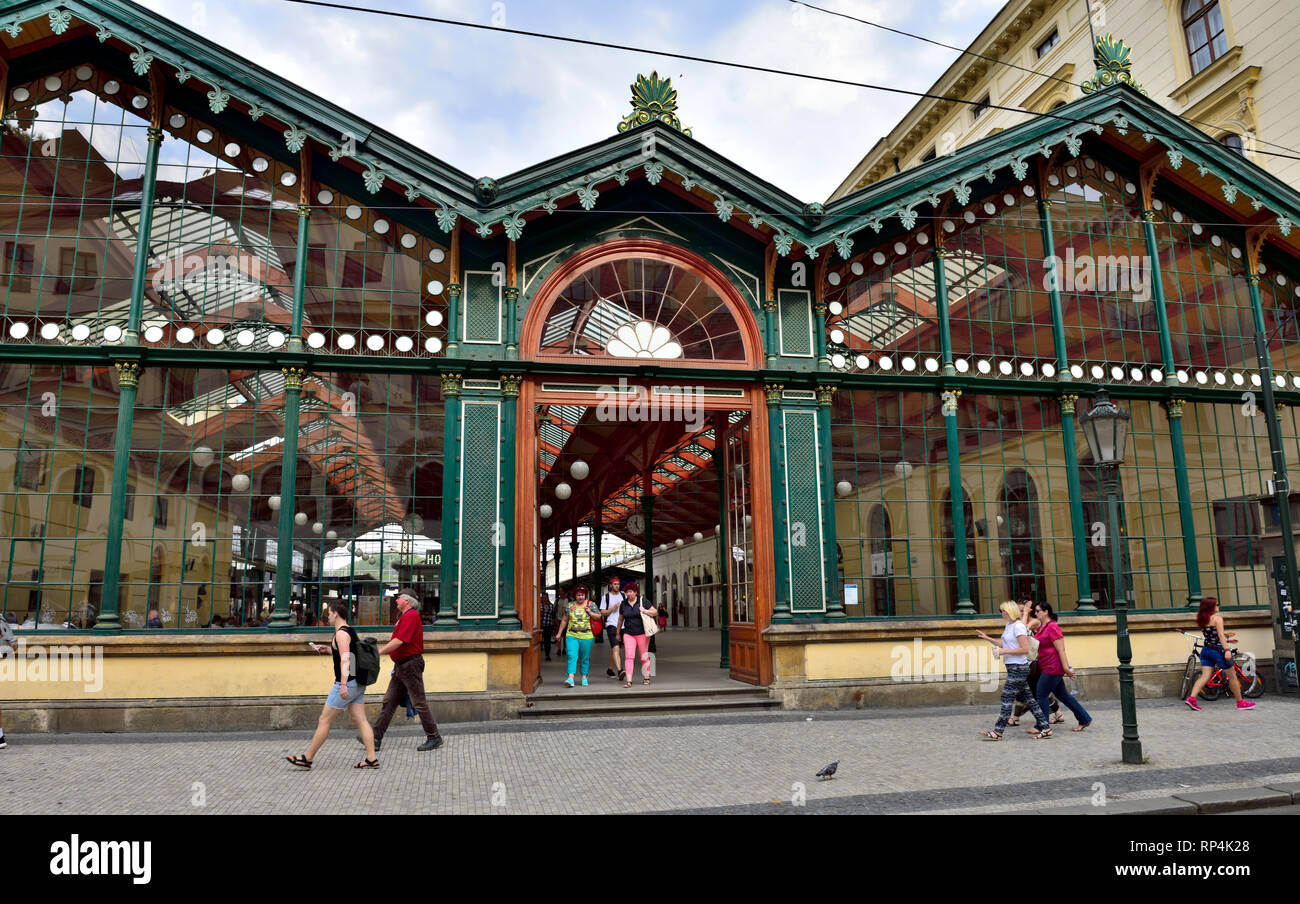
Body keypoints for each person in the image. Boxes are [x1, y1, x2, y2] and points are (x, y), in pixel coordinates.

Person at [285, 600, 378, 769]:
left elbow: (346, 659)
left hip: (347, 683)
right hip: (358, 683)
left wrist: (343, 685)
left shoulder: (341, 634)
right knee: (361, 720)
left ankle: (307, 758)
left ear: (335, 614)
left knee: (324, 719)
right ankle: (371, 758)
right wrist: (327, 649)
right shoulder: (349, 630)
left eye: (328, 613)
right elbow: (346, 652)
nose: (327, 617)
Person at [371, 590, 444, 751]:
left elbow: (400, 641)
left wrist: (379, 651)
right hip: (402, 666)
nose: (396, 599)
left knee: (419, 702)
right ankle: (375, 738)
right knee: (389, 702)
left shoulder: (411, 616)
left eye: (399, 597)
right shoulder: (405, 616)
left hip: (409, 665)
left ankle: (434, 737)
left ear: (408, 601)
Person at [978, 601, 1052, 740]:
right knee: (1030, 700)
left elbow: (1024, 649)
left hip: (1018, 668)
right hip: (1013, 667)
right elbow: (1004, 643)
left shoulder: (1018, 626)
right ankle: (1046, 728)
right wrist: (987, 638)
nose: (1001, 613)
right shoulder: (1009, 625)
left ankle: (998, 731)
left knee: (1006, 697)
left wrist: (1002, 652)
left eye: (1003, 610)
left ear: (1010, 611)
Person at [1186, 596, 1257, 711]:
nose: (1218, 606)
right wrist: (1227, 650)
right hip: (1217, 651)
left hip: (1206, 650)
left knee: (1205, 676)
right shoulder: (1217, 619)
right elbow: (1220, 636)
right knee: (1232, 676)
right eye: (1217, 604)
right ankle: (1240, 702)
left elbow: (1211, 636)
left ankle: (1191, 699)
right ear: (1211, 607)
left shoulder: (1202, 619)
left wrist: (1225, 641)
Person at [1031, 602, 1092, 731]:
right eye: (1035, 612)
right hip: (1047, 666)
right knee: (1063, 696)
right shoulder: (1042, 628)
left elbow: (1061, 650)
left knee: (1041, 694)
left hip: (1053, 667)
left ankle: (1042, 726)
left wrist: (1066, 669)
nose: (1035, 614)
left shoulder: (1052, 627)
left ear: (1046, 611)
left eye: (1038, 611)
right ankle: (1084, 719)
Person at [1009, 599, 1062, 727]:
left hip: (1035, 664)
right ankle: (1057, 713)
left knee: (1033, 690)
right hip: (1025, 662)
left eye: (1022, 611)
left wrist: (1026, 613)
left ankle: (1018, 717)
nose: (1020, 613)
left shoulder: (1034, 622)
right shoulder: (1019, 622)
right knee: (1029, 690)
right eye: (1019, 611)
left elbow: (1021, 630)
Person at [555, 585, 597, 688]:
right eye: (578, 595)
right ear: (574, 596)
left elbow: (598, 617)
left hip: (587, 636)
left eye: (582, 595)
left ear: (585, 595)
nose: (580, 597)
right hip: (571, 635)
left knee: (585, 658)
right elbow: (564, 620)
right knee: (571, 655)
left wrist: (590, 612)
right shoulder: (569, 606)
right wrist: (559, 633)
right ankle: (571, 678)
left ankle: (584, 677)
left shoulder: (591, 605)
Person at [619, 581, 658, 687]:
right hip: (628, 633)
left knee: (644, 656)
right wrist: (618, 632)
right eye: (627, 592)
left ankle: (646, 677)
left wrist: (644, 610)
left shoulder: (643, 601)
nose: (628, 594)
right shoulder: (624, 603)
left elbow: (655, 612)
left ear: (635, 592)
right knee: (629, 656)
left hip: (642, 633)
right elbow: (620, 619)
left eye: (631, 592)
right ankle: (629, 681)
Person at [597, 576, 626, 681]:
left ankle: (610, 669)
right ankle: (620, 670)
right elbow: (602, 612)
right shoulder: (606, 597)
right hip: (611, 624)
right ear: (610, 585)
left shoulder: (623, 595)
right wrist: (613, 608)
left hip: (623, 625)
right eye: (615, 584)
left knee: (616, 649)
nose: (617, 586)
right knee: (616, 647)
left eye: (618, 584)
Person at [539, 593, 556, 661]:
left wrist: (554, 625)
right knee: (539, 641)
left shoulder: (551, 606)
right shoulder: (539, 605)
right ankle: (537, 655)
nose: (544, 599)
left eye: (545, 597)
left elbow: (553, 615)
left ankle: (547, 655)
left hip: (549, 625)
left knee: (547, 641)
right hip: (540, 625)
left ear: (547, 598)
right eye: (543, 597)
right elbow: (539, 614)